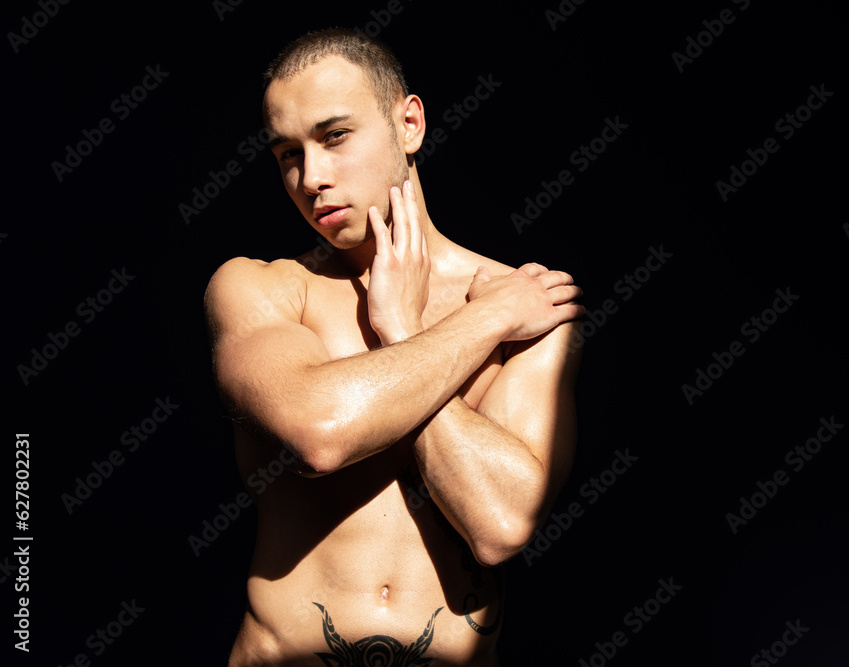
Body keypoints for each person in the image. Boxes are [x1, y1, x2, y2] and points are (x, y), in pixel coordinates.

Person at [204, 28, 583, 666]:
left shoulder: (526, 304)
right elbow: (319, 432)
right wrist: (465, 329)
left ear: (408, 124)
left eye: (334, 136)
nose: (311, 176)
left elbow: (499, 525)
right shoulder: (261, 288)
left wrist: (404, 330)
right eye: (286, 154)